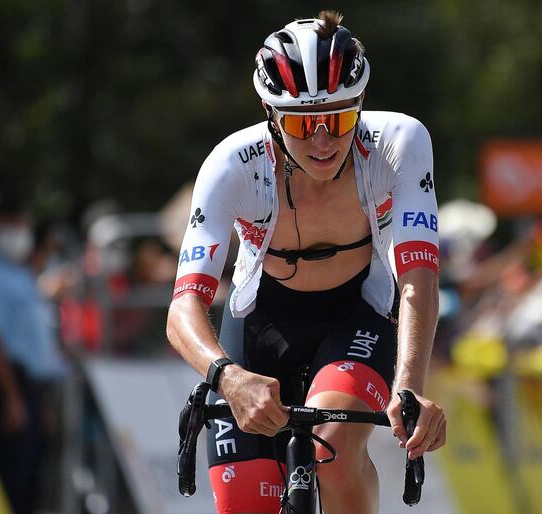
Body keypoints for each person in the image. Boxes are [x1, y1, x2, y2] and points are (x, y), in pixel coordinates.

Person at [166, 11, 446, 514]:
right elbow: (183, 307)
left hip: (354, 318)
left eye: (338, 119)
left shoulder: (399, 143)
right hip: (258, 323)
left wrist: (409, 389)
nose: (323, 140)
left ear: (360, 104)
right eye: (301, 123)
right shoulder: (231, 165)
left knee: (333, 448)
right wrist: (228, 378)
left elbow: (417, 278)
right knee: (244, 501)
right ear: (272, 115)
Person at [0, 193, 65, 514]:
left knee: (29, 488)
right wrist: (12, 398)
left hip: (27, 391)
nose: (20, 232)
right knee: (9, 486)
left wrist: (38, 400)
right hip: (3, 387)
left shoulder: (18, 273)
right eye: (14, 224)